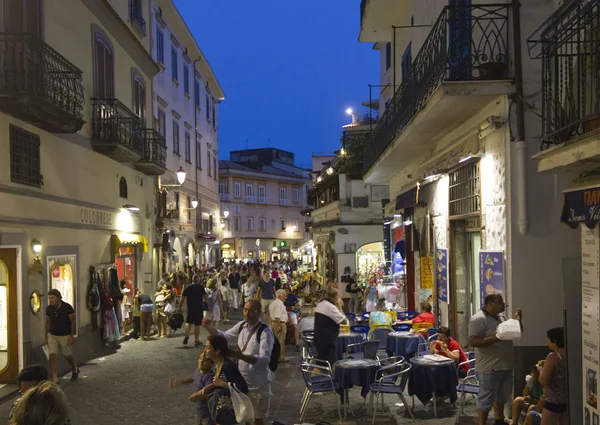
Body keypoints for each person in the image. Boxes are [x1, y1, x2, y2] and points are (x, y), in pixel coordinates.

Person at [203, 299, 274, 425]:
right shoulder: (241, 326)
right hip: (242, 383)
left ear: (258, 312)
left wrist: (240, 356)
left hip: (258, 384)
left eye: (250, 311)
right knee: (244, 416)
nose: (246, 313)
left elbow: (264, 359)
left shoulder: (265, 331)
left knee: (257, 419)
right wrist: (210, 328)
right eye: (245, 310)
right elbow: (223, 336)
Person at [469, 293, 523, 425]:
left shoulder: (501, 317)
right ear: (490, 304)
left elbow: (514, 334)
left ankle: (499, 420)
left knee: (502, 396)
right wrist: (492, 339)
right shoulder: (478, 319)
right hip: (489, 368)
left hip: (505, 365)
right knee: (486, 398)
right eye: (500, 302)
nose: (503, 304)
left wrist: (518, 321)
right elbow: (472, 341)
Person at [169, 351, 216, 425]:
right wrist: (180, 381)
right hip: (198, 412)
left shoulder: (209, 376)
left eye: (205, 360)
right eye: (200, 358)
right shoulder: (198, 370)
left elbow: (210, 394)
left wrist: (197, 396)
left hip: (208, 413)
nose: (201, 361)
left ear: (212, 363)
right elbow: (193, 378)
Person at [45, 289, 79, 384]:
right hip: (52, 335)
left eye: (53, 298)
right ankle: (55, 378)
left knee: (67, 355)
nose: (51, 300)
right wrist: (46, 336)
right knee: (52, 356)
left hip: (64, 335)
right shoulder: (49, 308)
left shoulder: (67, 307)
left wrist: (72, 336)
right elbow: (47, 322)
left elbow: (73, 321)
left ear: (58, 298)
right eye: (49, 298)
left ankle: (74, 368)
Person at [314, 289, 350, 368]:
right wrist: (339, 307)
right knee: (331, 363)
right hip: (327, 340)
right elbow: (344, 322)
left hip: (319, 338)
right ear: (336, 297)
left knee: (321, 363)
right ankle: (332, 378)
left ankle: (316, 377)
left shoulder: (321, 304)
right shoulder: (331, 307)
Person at [539, 327, 567, 425]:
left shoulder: (553, 356)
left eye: (548, 339)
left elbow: (544, 380)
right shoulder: (571, 354)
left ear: (554, 342)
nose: (547, 342)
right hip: (568, 401)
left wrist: (541, 370)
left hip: (553, 401)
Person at [178, 274, 211, 347]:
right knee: (197, 324)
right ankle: (196, 340)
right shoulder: (201, 287)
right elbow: (205, 297)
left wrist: (179, 307)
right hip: (199, 308)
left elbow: (182, 298)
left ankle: (187, 335)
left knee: (188, 322)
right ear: (198, 280)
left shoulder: (187, 287)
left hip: (190, 308)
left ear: (192, 280)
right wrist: (208, 305)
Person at [269, 289, 289, 363]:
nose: (285, 297)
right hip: (279, 323)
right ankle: (281, 356)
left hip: (274, 323)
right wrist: (279, 325)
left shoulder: (273, 303)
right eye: (284, 295)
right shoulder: (279, 304)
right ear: (279, 296)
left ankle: (275, 356)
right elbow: (277, 316)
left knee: (275, 341)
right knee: (281, 341)